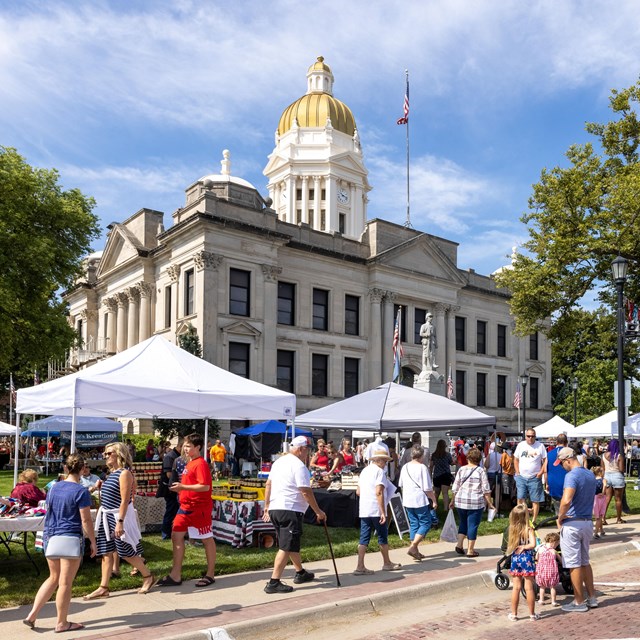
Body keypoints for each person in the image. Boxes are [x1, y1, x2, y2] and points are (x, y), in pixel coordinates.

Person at [22, 454, 97, 632]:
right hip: (70, 537)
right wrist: (93, 541)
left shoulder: (54, 487)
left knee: (53, 577)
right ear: (81, 469)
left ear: (66, 468)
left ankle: (32, 614)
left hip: (52, 536)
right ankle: (62, 622)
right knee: (65, 582)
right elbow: (86, 520)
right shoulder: (81, 491)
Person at [84, 442, 154, 600]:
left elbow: (125, 500)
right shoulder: (111, 474)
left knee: (126, 552)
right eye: (105, 454)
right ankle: (103, 587)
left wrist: (120, 521)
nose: (106, 456)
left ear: (119, 454)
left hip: (116, 517)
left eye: (109, 453)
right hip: (107, 517)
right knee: (106, 553)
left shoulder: (124, 473)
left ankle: (148, 576)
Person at [262, 435, 326, 593]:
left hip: (276, 508)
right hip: (290, 509)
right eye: (307, 450)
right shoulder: (299, 466)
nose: (308, 454)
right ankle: (273, 582)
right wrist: (318, 512)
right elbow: (305, 491)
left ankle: (300, 572)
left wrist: (267, 506)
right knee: (286, 545)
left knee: (290, 543)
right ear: (301, 449)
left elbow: (268, 484)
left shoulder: (278, 462)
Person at [157, 432, 217, 588]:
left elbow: (205, 486)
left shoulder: (201, 463)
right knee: (176, 536)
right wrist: (181, 490)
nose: (185, 448)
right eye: (184, 445)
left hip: (199, 508)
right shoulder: (189, 463)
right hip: (185, 507)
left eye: (189, 446)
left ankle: (210, 574)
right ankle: (175, 575)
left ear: (198, 447)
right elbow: (193, 485)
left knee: (206, 540)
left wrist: (183, 487)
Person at [555, 446, 598, 612]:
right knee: (585, 561)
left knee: (574, 563)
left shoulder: (571, 475)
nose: (562, 466)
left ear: (567, 460)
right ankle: (592, 597)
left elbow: (566, 500)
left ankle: (579, 601)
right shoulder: (589, 474)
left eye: (562, 463)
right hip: (587, 521)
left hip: (572, 523)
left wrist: (560, 517)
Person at [354, 448, 401, 574]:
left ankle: (360, 566)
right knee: (382, 536)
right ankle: (387, 563)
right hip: (376, 508)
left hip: (364, 508)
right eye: (385, 461)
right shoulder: (379, 472)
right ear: (379, 460)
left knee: (364, 538)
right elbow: (379, 492)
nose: (386, 463)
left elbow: (358, 491)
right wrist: (382, 511)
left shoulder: (364, 471)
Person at [450, 448, 494, 557]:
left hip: (461, 501)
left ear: (468, 458)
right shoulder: (480, 471)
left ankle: (459, 545)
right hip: (475, 502)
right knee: (473, 525)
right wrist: (490, 503)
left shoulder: (461, 469)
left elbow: (455, 487)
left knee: (463, 522)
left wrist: (452, 500)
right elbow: (486, 490)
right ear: (479, 459)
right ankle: (470, 550)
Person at [399, 445, 436, 561]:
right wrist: (434, 500)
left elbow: (401, 484)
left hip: (408, 498)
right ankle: (413, 546)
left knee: (414, 523)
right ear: (421, 455)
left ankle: (415, 550)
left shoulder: (405, 467)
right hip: (419, 499)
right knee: (426, 523)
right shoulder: (422, 468)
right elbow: (427, 488)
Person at [505, 503, 538, 621]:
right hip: (527, 559)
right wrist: (525, 547)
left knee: (516, 587)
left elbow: (509, 546)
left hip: (516, 558)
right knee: (529, 587)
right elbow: (533, 544)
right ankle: (532, 614)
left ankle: (514, 614)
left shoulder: (512, 529)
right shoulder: (529, 529)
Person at [513, 429, 548, 522]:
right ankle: (521, 518)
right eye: (528, 436)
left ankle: (534, 520)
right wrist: (517, 472)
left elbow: (545, 460)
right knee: (520, 498)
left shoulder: (540, 446)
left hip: (535, 477)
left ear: (535, 436)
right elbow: (516, 459)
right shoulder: (521, 445)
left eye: (532, 436)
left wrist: (541, 472)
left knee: (535, 500)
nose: (530, 438)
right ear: (525, 436)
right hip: (521, 477)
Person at [158, 437, 183, 540]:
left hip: (175, 487)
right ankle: (165, 533)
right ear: (180, 446)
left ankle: (172, 531)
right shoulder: (170, 457)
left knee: (175, 510)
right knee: (171, 510)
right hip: (169, 489)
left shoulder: (178, 456)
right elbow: (169, 475)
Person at [602, 439, 626, 524]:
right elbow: (621, 469)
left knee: (607, 498)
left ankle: (603, 518)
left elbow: (603, 469)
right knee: (618, 499)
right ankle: (618, 519)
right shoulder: (619, 456)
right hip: (617, 476)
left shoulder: (603, 455)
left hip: (607, 476)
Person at [536, 531, 561, 607]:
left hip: (542, 572)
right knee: (553, 587)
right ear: (554, 542)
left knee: (542, 587)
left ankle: (541, 600)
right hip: (552, 572)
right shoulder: (553, 551)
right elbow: (561, 560)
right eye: (557, 544)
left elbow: (536, 558)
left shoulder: (540, 549)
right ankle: (553, 601)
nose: (557, 546)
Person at [546, 433, 569, 515]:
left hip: (554, 483)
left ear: (556, 442)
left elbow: (546, 470)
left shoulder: (549, 454)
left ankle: (560, 526)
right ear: (566, 442)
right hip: (567, 482)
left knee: (558, 510)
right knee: (569, 509)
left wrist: (546, 483)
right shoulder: (570, 453)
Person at [430, 439, 453, 510]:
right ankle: (446, 508)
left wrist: (430, 475)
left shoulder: (434, 455)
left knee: (436, 493)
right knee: (445, 493)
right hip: (446, 475)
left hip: (437, 475)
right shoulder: (448, 455)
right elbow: (451, 463)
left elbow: (431, 466)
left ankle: (435, 508)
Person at [591, 466, 608, 539]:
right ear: (600, 473)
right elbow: (604, 486)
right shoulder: (603, 480)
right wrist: (603, 492)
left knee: (598, 516)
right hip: (601, 498)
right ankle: (595, 533)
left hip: (594, 498)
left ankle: (601, 530)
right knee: (599, 516)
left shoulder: (592, 480)